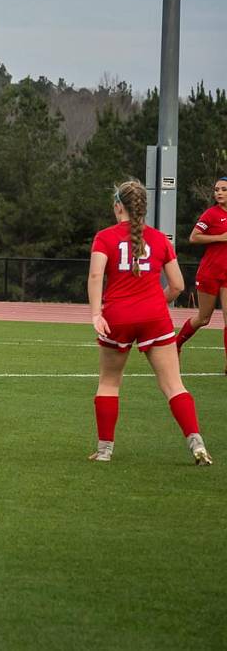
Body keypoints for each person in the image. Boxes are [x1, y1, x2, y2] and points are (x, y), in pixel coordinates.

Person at [87, 179, 211, 465]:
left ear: (118, 206)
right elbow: (178, 285)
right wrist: (154, 302)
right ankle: (196, 444)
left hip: (117, 316)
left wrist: (96, 313)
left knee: (109, 382)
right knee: (174, 385)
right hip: (155, 316)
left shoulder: (104, 237)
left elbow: (95, 276)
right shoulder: (159, 239)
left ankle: (105, 450)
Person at [174, 177, 227, 373]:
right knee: (204, 319)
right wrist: (220, 238)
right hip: (210, 273)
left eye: (223, 189)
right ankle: (176, 344)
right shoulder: (211, 214)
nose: (219, 193)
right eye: (217, 189)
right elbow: (193, 237)